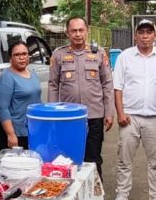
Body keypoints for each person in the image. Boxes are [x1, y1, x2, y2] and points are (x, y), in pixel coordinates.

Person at [111, 19, 156, 200]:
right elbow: (118, 87)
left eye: (149, 32)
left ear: (155, 35)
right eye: (141, 32)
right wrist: (120, 112)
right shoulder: (125, 57)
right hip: (130, 116)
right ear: (135, 35)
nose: (145, 36)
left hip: (155, 116)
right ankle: (122, 194)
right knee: (124, 159)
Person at [48, 17, 114, 177]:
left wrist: (109, 112)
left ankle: (95, 196)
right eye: (74, 31)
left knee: (93, 159)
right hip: (68, 118)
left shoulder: (98, 53)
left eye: (81, 30)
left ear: (87, 31)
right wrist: (52, 114)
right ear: (67, 33)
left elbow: (107, 84)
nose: (78, 34)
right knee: (68, 158)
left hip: (94, 116)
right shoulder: (59, 55)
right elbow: (53, 85)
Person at [0, 41, 42, 149]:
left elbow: (37, 100)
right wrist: (10, 134)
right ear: (10, 58)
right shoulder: (6, 78)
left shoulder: (33, 74)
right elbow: (2, 108)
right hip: (13, 131)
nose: (21, 57)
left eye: (24, 54)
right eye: (17, 55)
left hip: (30, 129)